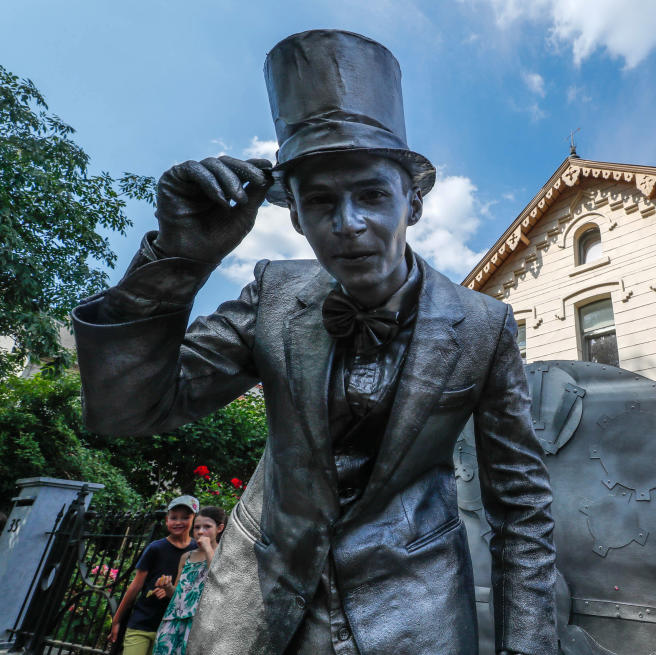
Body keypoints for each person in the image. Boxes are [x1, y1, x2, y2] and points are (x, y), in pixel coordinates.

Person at [72, 30, 556, 655]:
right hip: (252, 610)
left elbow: (521, 508)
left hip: (415, 617)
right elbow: (129, 410)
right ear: (295, 216)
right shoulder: (272, 293)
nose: (348, 223)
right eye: (321, 201)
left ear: (413, 201)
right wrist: (178, 262)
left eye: (373, 195)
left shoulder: (485, 326)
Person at [109, 496, 199, 655]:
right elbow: (135, 586)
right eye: (174, 517)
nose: (178, 522)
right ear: (166, 520)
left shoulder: (197, 551)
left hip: (170, 628)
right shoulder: (155, 548)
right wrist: (116, 621)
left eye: (185, 517)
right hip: (141, 623)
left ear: (194, 519)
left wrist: (170, 590)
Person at [152, 506, 226, 655]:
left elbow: (217, 578)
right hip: (173, 620)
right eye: (197, 527)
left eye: (207, 527)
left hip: (198, 623)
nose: (200, 531)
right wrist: (168, 587)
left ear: (219, 528)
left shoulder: (223, 554)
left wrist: (207, 548)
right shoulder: (187, 557)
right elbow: (177, 593)